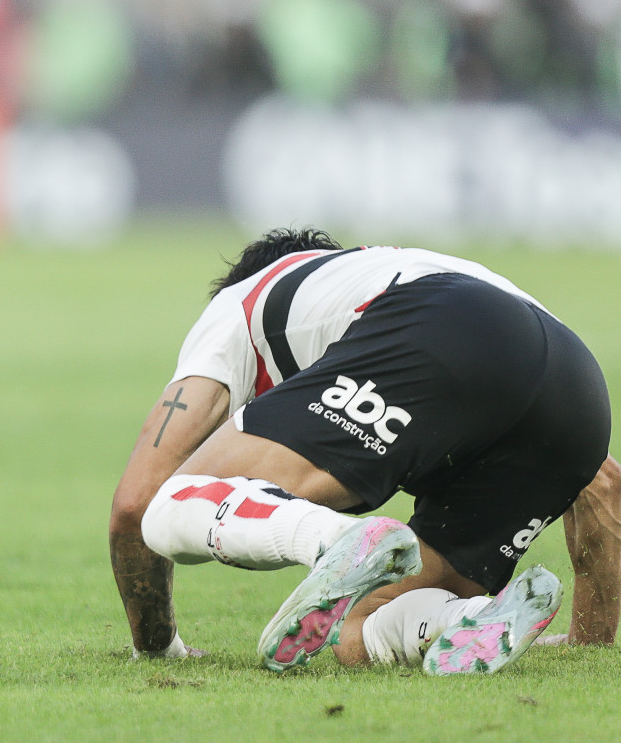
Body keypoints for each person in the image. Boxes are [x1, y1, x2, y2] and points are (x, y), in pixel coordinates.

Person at [109, 228, 619, 675]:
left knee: (175, 501)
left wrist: (157, 648)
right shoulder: (381, 271)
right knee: (358, 633)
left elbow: (136, 502)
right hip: (580, 396)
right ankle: (462, 621)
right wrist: (590, 640)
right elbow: (605, 485)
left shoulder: (242, 299)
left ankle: (334, 541)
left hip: (444, 324)